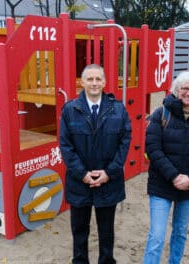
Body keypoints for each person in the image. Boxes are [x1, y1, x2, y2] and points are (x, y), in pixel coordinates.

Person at [59, 64, 132, 264]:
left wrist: (109, 172)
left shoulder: (118, 109)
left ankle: (106, 261)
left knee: (106, 230)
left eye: (98, 79)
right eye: (90, 79)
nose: (94, 83)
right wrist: (82, 173)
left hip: (109, 181)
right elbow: (66, 146)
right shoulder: (70, 110)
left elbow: (124, 143)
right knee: (79, 230)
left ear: (105, 82)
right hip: (79, 181)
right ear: (82, 83)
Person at [143, 71, 189, 264]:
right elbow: (153, 149)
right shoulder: (161, 114)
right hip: (162, 185)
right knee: (157, 236)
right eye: (185, 88)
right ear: (176, 90)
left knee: (180, 233)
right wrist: (174, 176)